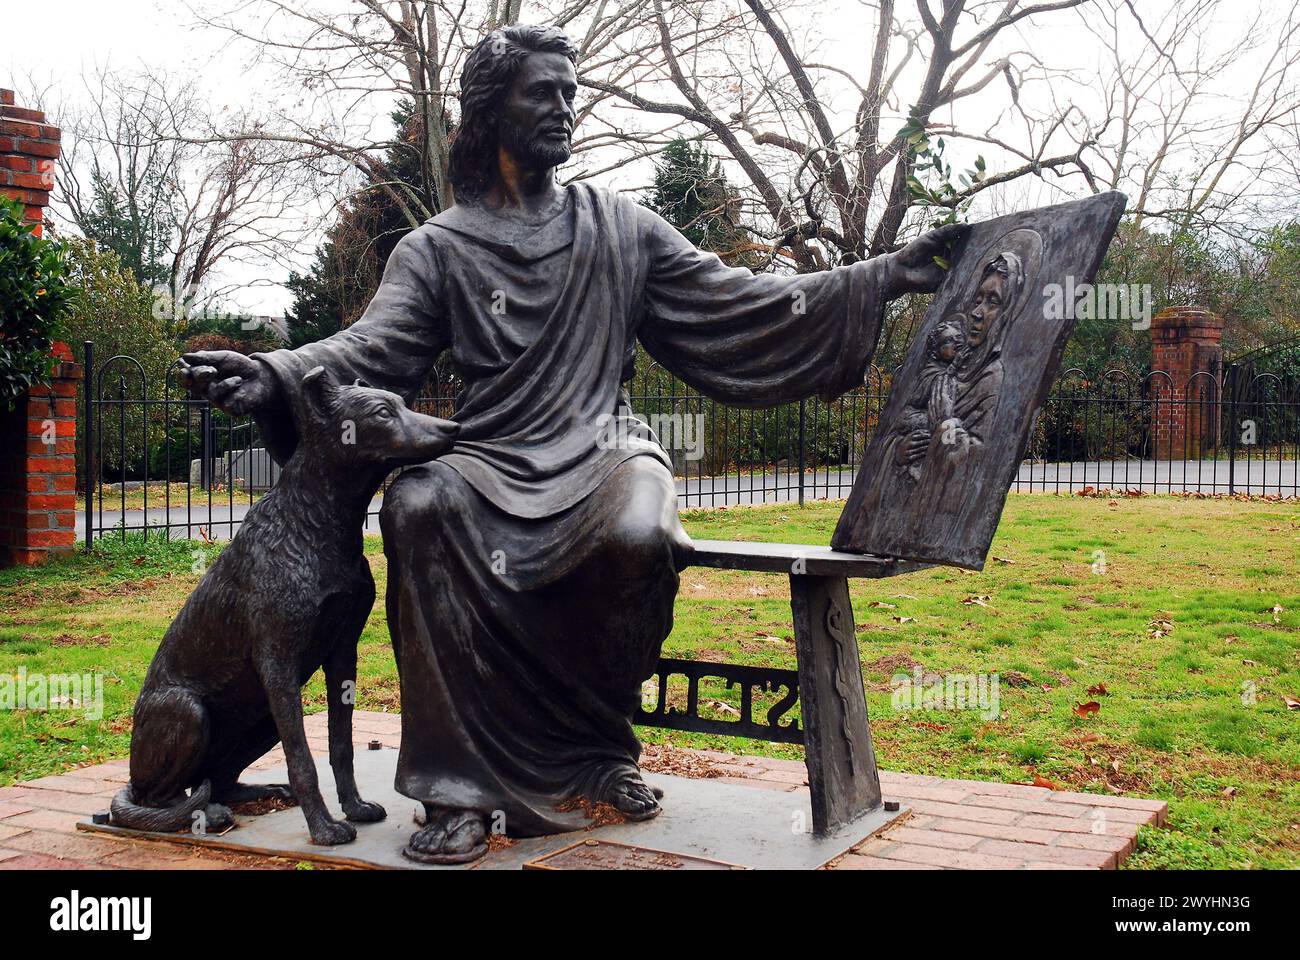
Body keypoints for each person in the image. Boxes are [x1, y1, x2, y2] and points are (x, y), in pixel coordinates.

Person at [179, 23, 961, 864]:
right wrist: (276, 372)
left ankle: (597, 754)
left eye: (570, 95)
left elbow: (738, 302)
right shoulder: (435, 248)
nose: (564, 109)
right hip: (488, 454)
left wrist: (876, 276)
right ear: (490, 109)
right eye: (543, 93)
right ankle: (460, 788)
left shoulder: (619, 227)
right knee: (418, 503)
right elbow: (371, 350)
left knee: (636, 535)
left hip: (604, 448)